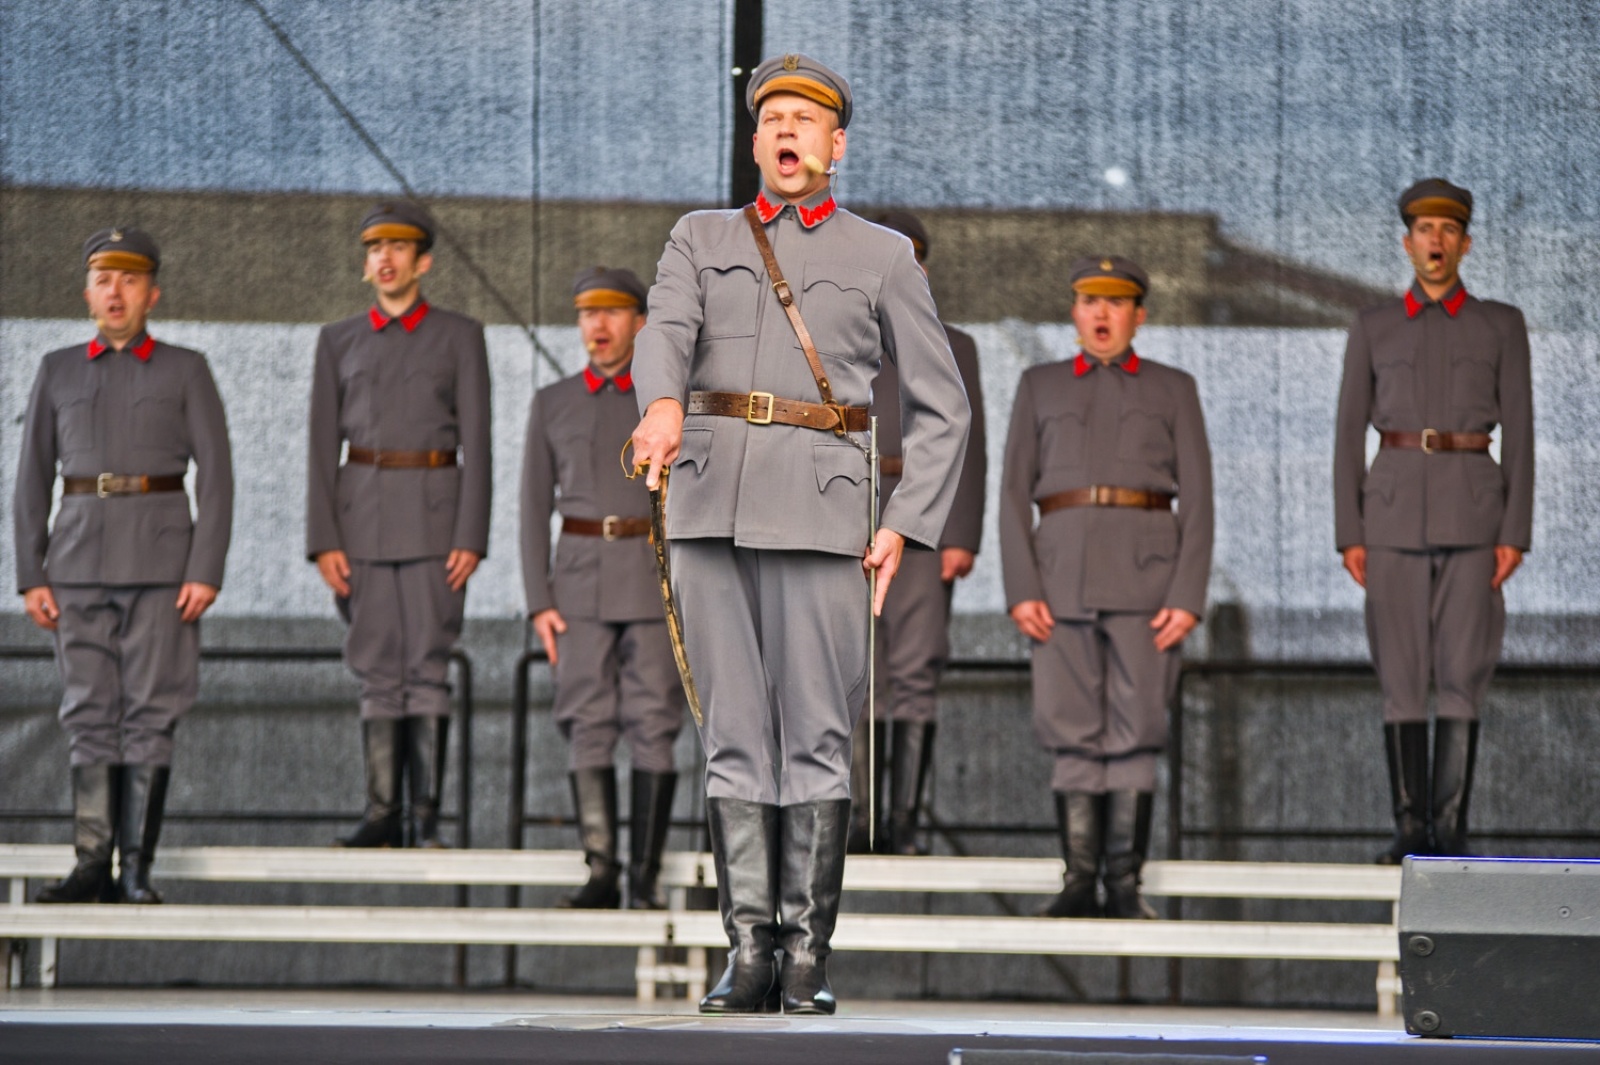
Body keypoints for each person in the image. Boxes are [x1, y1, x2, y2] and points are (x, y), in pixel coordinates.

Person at [628, 53, 970, 1014]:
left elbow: (944, 408)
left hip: (824, 515)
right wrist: (659, 405)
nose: (787, 132)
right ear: (756, 142)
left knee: (817, 733)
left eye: (805, 120)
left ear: (836, 145)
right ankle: (748, 949)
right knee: (733, 732)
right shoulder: (699, 236)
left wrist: (906, 522)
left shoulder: (884, 255)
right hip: (709, 506)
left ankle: (809, 954)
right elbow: (664, 331)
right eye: (772, 117)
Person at [15, 227, 234, 904]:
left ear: (152, 293)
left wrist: (206, 567)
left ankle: (135, 868)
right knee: (88, 709)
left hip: (163, 562)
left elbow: (218, 475)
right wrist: (31, 570)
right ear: (87, 292)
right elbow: (31, 477)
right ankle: (91, 863)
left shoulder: (185, 368)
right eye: (104, 278)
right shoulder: (57, 369)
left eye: (130, 279)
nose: (116, 291)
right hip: (77, 558)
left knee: (150, 709)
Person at [1000, 256, 1212, 920]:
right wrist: (1020, 585)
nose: (1101, 313)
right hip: (1060, 576)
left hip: (1148, 577)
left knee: (1138, 727)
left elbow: (1200, 499)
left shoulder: (1174, 388)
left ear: (1138, 314)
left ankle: (1123, 880)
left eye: (1116, 302)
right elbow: (1011, 496)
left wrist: (1187, 593)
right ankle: (1079, 876)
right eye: (1090, 300)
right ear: (1073, 310)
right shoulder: (1039, 385)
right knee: (1070, 727)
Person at [1334, 178, 1533, 864]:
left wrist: (1516, 529)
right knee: (1401, 673)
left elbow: (1524, 433)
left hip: (1476, 514)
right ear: (1407, 242)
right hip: (1389, 517)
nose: (1436, 241)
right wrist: (1349, 530)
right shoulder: (1374, 326)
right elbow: (1345, 434)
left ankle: (1449, 826)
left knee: (1461, 671)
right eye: (1424, 229)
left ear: (1466, 243)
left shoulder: (1500, 325)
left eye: (1449, 230)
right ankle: (1409, 826)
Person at [307, 201, 491, 849]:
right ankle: (383, 814)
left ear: (424, 261)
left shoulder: (460, 336)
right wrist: (324, 539)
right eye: (374, 248)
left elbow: (479, 442)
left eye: (398, 247)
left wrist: (471, 534)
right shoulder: (338, 341)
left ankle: (426, 818)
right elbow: (320, 444)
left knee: (427, 664)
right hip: (362, 519)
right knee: (379, 666)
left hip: (438, 518)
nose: (384, 258)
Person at [521, 267, 686, 909]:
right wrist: (539, 598)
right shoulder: (552, 401)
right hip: (580, 578)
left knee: (653, 721)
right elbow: (533, 508)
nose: (597, 325)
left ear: (640, 323)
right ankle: (602, 871)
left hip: (649, 577)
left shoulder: (667, 402)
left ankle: (643, 879)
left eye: (612, 312)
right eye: (587, 312)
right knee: (585, 719)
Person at [848, 210, 988, 856]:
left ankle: (902, 822)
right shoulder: (836, 334)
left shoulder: (954, 345)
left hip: (923, 514)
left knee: (915, 665)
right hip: (848, 508)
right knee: (854, 664)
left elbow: (970, 444)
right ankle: (860, 818)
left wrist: (961, 532)